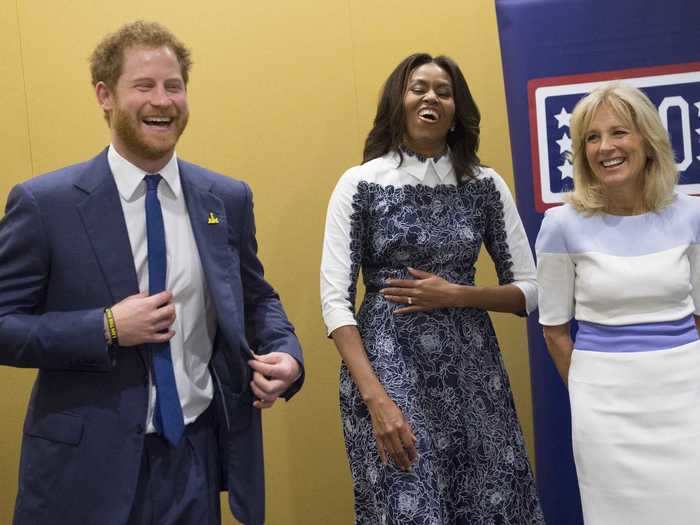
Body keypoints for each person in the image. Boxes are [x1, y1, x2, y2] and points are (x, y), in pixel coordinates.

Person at [0, 20, 303, 525]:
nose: (162, 101)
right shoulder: (43, 205)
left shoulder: (225, 199)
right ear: (105, 95)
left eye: (174, 86)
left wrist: (287, 356)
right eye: (143, 86)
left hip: (194, 458)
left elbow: (255, 298)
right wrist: (106, 328)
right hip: (84, 472)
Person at [320, 53, 543, 524]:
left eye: (444, 92)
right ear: (397, 101)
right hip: (389, 373)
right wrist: (375, 399)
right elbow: (334, 303)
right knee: (412, 507)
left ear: (456, 110)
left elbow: (531, 290)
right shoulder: (359, 183)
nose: (431, 98)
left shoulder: (484, 184)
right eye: (419, 87)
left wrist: (459, 295)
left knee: (491, 505)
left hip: (473, 375)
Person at [536, 83, 700, 524]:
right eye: (591, 137)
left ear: (647, 141)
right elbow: (553, 330)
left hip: (686, 399)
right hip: (604, 409)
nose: (605, 147)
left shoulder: (691, 215)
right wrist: (591, 393)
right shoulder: (560, 225)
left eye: (618, 133)